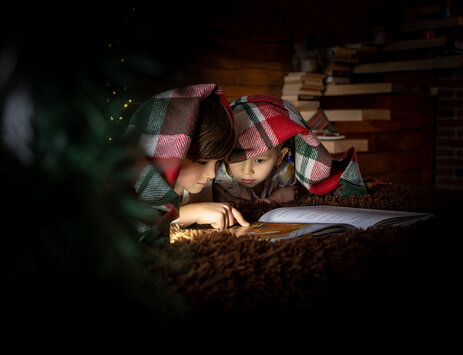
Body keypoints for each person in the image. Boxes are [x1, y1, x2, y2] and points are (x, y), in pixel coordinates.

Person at [126, 84, 249, 240]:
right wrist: (191, 213)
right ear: (169, 152)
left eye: (218, 162)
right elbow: (132, 230)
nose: (212, 174)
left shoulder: (196, 185)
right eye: (202, 162)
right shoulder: (130, 183)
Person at [214, 94, 367, 205]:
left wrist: (278, 197)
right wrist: (274, 200)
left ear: (279, 158)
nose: (247, 171)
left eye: (259, 160)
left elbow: (301, 189)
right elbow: (242, 211)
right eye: (237, 157)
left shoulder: (283, 171)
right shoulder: (224, 180)